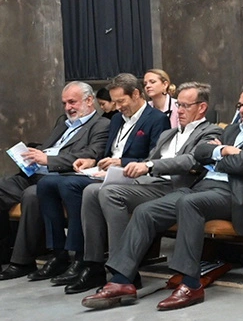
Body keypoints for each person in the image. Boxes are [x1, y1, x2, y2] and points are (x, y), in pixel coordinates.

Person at [82, 83, 243, 311]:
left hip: (232, 195)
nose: (242, 109)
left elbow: (241, 164)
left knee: (190, 203)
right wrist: (224, 150)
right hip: (202, 187)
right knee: (146, 211)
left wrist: (218, 154)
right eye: (240, 104)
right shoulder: (232, 131)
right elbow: (199, 153)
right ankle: (122, 280)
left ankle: (190, 283)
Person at [71, 83, 223, 294]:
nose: (179, 110)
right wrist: (122, 168)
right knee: (91, 191)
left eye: (186, 106)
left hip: (174, 186)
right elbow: (148, 160)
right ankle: (94, 263)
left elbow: (191, 160)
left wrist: (149, 166)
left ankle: (123, 271)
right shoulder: (168, 134)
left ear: (202, 108)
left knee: (110, 193)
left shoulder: (210, 132)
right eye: (178, 104)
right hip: (149, 183)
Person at [31, 73, 170, 284]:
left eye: (121, 101)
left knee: (77, 187)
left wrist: (122, 161)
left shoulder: (156, 119)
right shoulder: (115, 119)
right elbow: (105, 153)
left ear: (135, 94)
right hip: (105, 173)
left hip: (132, 175)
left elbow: (153, 159)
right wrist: (90, 161)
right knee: (47, 183)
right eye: (114, 102)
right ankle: (72, 256)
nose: (118, 106)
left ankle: (91, 260)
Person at [0, 82, 110, 280]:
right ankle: (4, 251)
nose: (68, 107)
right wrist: (35, 154)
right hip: (34, 173)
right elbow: (50, 147)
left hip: (59, 177)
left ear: (89, 100)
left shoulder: (101, 125)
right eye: (64, 103)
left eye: (72, 102)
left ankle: (25, 260)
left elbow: (91, 153)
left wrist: (48, 160)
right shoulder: (63, 122)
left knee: (32, 196)